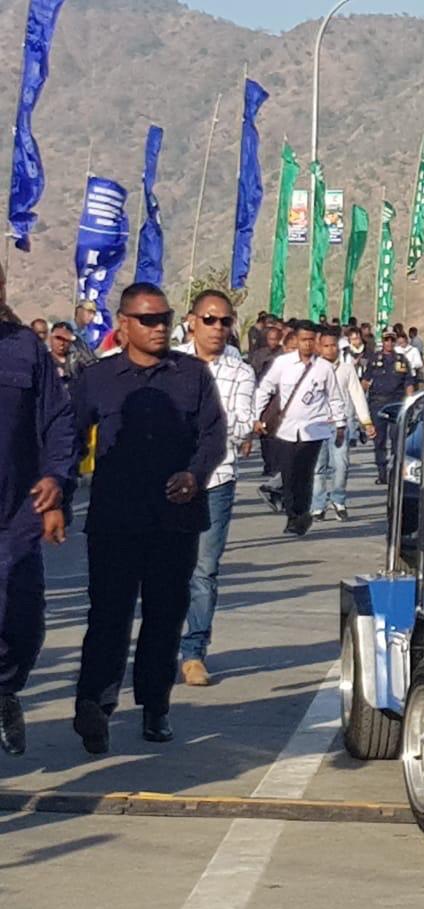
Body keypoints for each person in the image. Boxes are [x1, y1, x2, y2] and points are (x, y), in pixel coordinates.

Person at [70, 283, 226, 752]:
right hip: (115, 521)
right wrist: (56, 491)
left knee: (164, 616)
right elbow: (70, 436)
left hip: (174, 519)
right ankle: (95, 706)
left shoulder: (192, 375)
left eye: (164, 318)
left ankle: (156, 705)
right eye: (148, 320)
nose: (159, 327)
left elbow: (213, 435)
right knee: (109, 616)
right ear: (124, 324)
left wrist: (196, 476)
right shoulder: (97, 379)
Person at [0, 299, 75, 755]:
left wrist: (55, 480)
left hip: (17, 510)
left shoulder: (26, 349)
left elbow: (57, 420)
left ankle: (5, 689)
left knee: (21, 615)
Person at [174, 291, 255, 686]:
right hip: (167, 481)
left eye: (225, 321)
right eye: (210, 319)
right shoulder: (169, 364)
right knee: (163, 568)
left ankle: (193, 653)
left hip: (216, 481)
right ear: (192, 321)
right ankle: (157, 646)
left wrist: (193, 429)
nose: (218, 328)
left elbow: (240, 428)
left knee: (203, 570)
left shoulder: (240, 372)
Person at [252, 320, 345, 535]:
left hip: (314, 429)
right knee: (288, 472)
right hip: (285, 428)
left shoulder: (324, 368)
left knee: (304, 473)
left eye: (312, 340)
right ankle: (293, 510)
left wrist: (340, 425)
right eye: (304, 340)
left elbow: (334, 398)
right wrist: (256, 417)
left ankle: (298, 516)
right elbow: (265, 388)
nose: (308, 345)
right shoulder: (283, 364)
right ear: (296, 340)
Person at [311, 326, 375, 521]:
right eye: (326, 346)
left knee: (341, 464)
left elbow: (357, 395)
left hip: (340, 425)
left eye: (333, 346)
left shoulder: (347, 370)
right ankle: (318, 505)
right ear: (319, 347)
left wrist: (366, 421)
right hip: (316, 424)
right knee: (318, 467)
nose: (330, 349)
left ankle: (338, 500)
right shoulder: (312, 370)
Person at [363, 332, 415, 484]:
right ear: (383, 341)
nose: (389, 343)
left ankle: (395, 471)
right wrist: (360, 404)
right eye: (386, 340)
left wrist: (410, 404)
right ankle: (382, 473)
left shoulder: (401, 360)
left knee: (396, 439)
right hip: (377, 403)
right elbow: (366, 381)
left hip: (396, 404)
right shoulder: (374, 359)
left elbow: (408, 383)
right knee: (379, 440)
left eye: (392, 340)